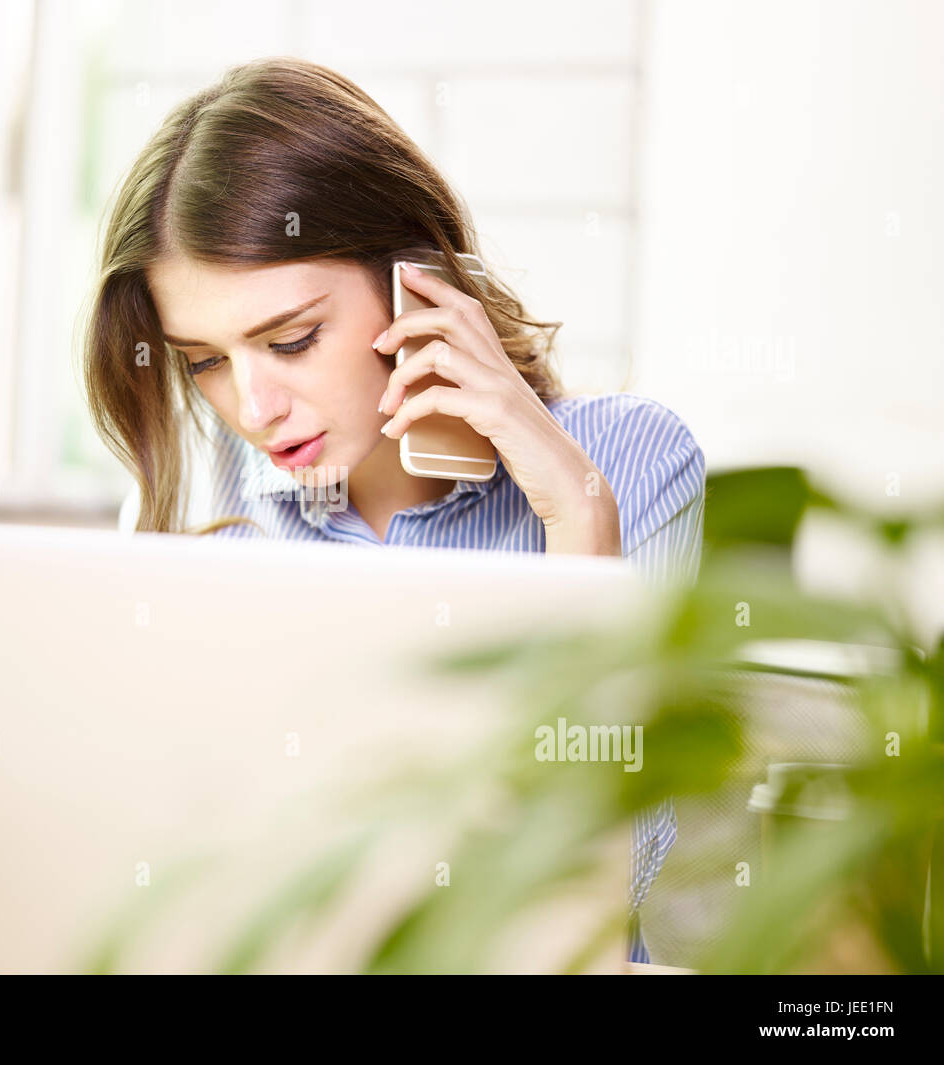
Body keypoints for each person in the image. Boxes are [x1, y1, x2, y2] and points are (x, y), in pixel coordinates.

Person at [80, 56, 705, 965]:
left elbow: (607, 888)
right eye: (204, 361)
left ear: (416, 284)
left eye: (290, 339)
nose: (254, 408)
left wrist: (577, 521)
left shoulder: (632, 462)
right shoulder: (210, 492)